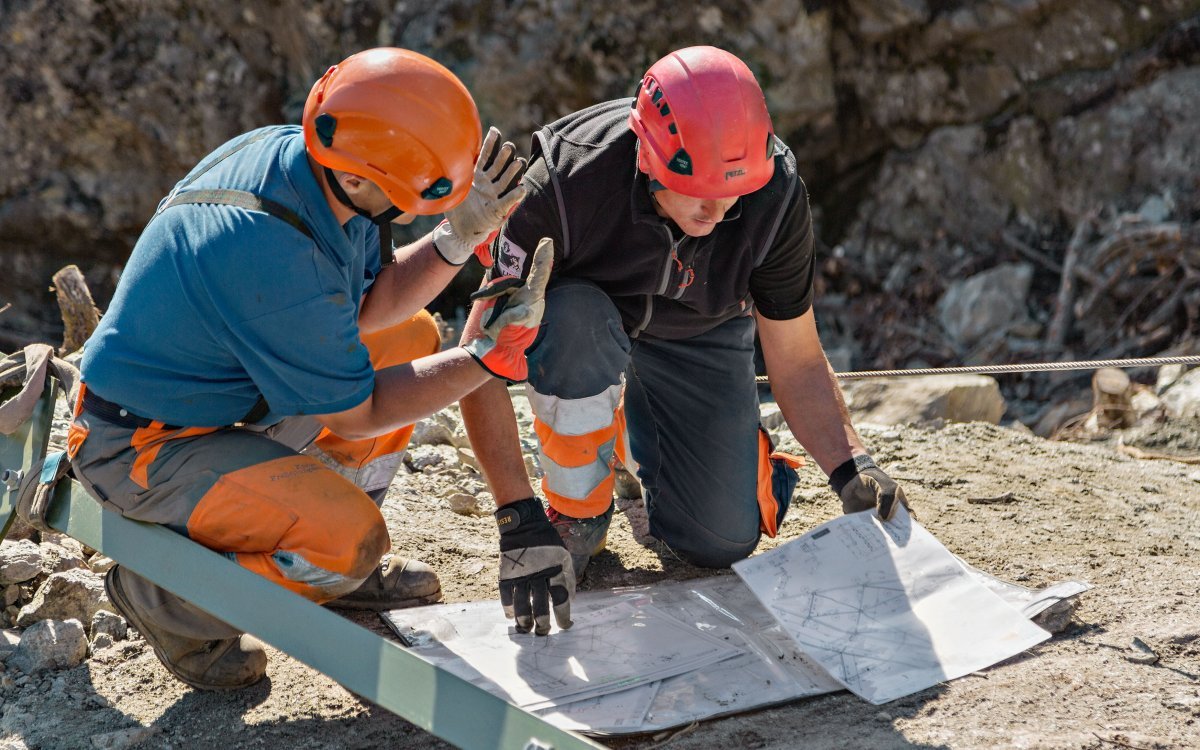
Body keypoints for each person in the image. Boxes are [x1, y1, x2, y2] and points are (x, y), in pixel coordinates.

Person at [62, 47, 552, 690]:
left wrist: (456, 239)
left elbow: (368, 306)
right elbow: (360, 416)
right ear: (363, 182)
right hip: (140, 448)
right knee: (349, 543)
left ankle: (329, 561)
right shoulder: (274, 256)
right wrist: (486, 357)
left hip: (207, 402)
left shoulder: (313, 164)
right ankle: (169, 599)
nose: (426, 209)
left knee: (408, 337)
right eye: (421, 196)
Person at [460, 46, 909, 636]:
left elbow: (797, 359)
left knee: (720, 541)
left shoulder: (773, 196)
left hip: (702, 332)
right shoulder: (564, 185)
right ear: (648, 155)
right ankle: (578, 513)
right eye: (696, 189)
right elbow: (477, 361)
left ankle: (631, 435)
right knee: (574, 323)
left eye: (733, 190)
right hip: (586, 326)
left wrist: (851, 466)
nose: (718, 209)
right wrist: (517, 518)